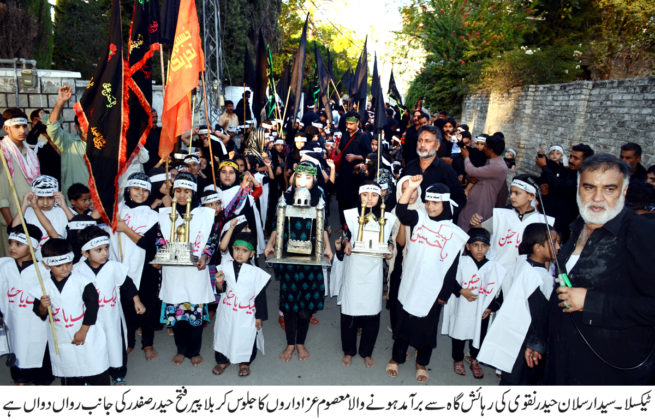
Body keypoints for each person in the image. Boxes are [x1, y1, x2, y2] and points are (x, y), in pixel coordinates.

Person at [534, 154, 655, 385]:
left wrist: (592, 302)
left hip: (610, 371)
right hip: (562, 360)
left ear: (624, 191)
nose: (597, 198)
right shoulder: (577, 224)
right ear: (578, 188)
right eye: (589, 187)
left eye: (609, 189)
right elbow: (561, 287)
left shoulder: (643, 233)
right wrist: (538, 338)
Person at [386, 176, 470, 383]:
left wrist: (444, 293)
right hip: (411, 282)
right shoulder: (420, 218)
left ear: (445, 204)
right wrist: (411, 188)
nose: (431, 207)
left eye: (436, 203)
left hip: (433, 289)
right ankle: (396, 358)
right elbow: (402, 212)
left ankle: (422, 362)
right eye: (429, 202)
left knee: (426, 329)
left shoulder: (454, 233)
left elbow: (452, 267)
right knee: (403, 323)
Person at [264, 162, 333, 363]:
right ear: (294, 177)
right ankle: (290, 344)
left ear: (314, 180)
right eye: (299, 176)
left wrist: (327, 247)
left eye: (308, 177)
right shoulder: (285, 197)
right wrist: (270, 244)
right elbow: (278, 225)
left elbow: (324, 225)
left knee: (305, 306)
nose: (303, 181)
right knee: (290, 304)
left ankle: (300, 342)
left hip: (311, 258)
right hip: (289, 258)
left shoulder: (319, 197)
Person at [477, 223, 559, 385]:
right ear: (537, 248)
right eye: (554, 242)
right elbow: (541, 316)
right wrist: (539, 344)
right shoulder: (538, 277)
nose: (558, 246)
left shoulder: (524, 262)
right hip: (525, 342)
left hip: (515, 336)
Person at [31, 238, 110, 385]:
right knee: (70, 372)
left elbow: (93, 306)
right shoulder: (43, 287)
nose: (65, 268)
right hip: (62, 336)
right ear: (46, 264)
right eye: (59, 265)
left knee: (95, 369)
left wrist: (83, 331)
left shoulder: (83, 281)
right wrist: (42, 306)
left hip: (86, 331)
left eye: (68, 263)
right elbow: (40, 313)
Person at [156, 172, 216, 367]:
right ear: (173, 193)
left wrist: (205, 256)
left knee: (195, 314)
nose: (182, 195)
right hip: (173, 272)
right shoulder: (165, 215)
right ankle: (181, 349)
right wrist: (160, 256)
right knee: (178, 316)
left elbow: (211, 240)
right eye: (178, 191)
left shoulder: (205, 215)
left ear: (194, 193)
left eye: (187, 191)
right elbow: (159, 240)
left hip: (195, 273)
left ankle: (194, 351)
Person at [74, 226, 145, 385]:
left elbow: (127, 284)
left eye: (106, 248)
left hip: (112, 316)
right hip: (90, 320)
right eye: (98, 250)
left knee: (115, 346)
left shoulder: (113, 266)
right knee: (91, 348)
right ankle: (90, 376)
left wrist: (137, 301)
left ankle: (118, 373)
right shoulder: (77, 270)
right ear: (85, 253)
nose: (105, 253)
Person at [339, 181, 396, 369]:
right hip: (355, 267)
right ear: (359, 196)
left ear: (380, 197)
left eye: (374, 195)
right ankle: (348, 351)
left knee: (372, 312)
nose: (369, 199)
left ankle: (366, 352)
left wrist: (389, 249)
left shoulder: (387, 217)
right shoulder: (350, 215)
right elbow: (345, 236)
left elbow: (389, 241)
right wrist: (345, 244)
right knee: (350, 311)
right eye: (365, 195)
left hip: (374, 270)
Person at [470, 174, 554, 295]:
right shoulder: (501, 215)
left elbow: (547, 257)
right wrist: (474, 222)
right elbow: (479, 230)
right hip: (495, 275)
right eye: (511, 192)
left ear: (531, 196)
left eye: (517, 193)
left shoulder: (543, 222)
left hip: (522, 278)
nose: (512, 196)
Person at [441, 227, 505, 379]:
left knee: (479, 335)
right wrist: (462, 291)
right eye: (475, 245)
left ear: (489, 247)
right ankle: (457, 359)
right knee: (460, 333)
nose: (479, 249)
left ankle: (474, 359)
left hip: (481, 311)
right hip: (463, 306)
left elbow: (498, 293)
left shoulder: (493, 268)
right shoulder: (461, 263)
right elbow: (451, 280)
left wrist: (491, 308)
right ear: (468, 246)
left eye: (483, 246)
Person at [109, 173, 161, 360]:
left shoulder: (153, 216)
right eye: (136, 189)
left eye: (144, 190)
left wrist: (126, 230)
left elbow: (150, 245)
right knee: (125, 305)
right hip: (119, 263)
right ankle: (129, 341)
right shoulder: (117, 210)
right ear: (128, 190)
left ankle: (147, 344)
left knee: (147, 304)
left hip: (146, 266)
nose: (140, 193)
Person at [0, 224, 54, 385]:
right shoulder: (5, 266)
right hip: (13, 319)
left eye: (18, 244)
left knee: (38, 348)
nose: (11, 248)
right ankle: (20, 379)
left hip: (36, 321)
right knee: (17, 347)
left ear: (32, 247)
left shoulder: (42, 270)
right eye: (10, 243)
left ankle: (41, 380)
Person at [211, 232, 270, 377]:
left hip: (246, 312)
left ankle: (245, 362)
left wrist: (259, 317)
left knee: (246, 335)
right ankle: (222, 359)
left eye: (244, 251)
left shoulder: (256, 273)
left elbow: (260, 297)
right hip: (228, 309)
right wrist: (219, 282)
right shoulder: (225, 267)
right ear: (232, 249)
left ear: (251, 254)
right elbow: (221, 290)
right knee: (224, 333)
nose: (239, 254)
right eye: (237, 249)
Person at [400, 125, 466, 221]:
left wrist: (441, 215)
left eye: (428, 141)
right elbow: (397, 193)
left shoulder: (446, 170)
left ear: (437, 145)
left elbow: (460, 199)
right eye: (420, 140)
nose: (422, 145)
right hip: (408, 223)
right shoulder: (409, 167)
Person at [1, 107, 40, 257]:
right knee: (10, 263)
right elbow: (1, 195)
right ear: (6, 128)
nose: (22, 130)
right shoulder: (3, 151)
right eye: (16, 127)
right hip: (10, 219)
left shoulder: (30, 152)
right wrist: (12, 225)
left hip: (32, 216)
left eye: (24, 126)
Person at [536, 143, 594, 242]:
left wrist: (544, 167)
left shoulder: (582, 178)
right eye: (571, 156)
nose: (571, 160)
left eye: (576, 158)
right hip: (548, 217)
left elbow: (559, 184)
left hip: (561, 225)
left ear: (585, 162)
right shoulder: (568, 171)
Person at [457, 134, 508, 230]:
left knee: (472, 229)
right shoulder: (491, 161)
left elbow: (472, 171)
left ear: (491, 149)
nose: (483, 148)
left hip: (481, 204)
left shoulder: (498, 166)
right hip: (473, 202)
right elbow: (475, 176)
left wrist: (466, 157)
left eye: (485, 146)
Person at [47, 86, 89, 200]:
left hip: (96, 204)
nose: (88, 128)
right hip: (73, 204)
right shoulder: (68, 142)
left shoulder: (103, 146)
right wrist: (60, 102)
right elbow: (52, 128)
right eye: (84, 125)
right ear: (76, 127)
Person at [14, 176, 70, 258]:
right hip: (34, 261)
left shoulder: (63, 211)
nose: (45, 203)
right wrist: (24, 205)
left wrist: (64, 206)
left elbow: (76, 228)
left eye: (50, 198)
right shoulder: (27, 211)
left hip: (58, 259)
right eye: (40, 198)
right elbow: (14, 230)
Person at [335, 111, 372, 225]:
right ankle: (343, 225)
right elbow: (341, 150)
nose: (348, 126)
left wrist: (356, 157)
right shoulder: (345, 134)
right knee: (341, 200)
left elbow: (369, 155)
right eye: (347, 124)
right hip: (343, 173)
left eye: (351, 124)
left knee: (353, 201)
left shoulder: (363, 136)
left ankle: (351, 227)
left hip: (355, 175)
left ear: (357, 123)